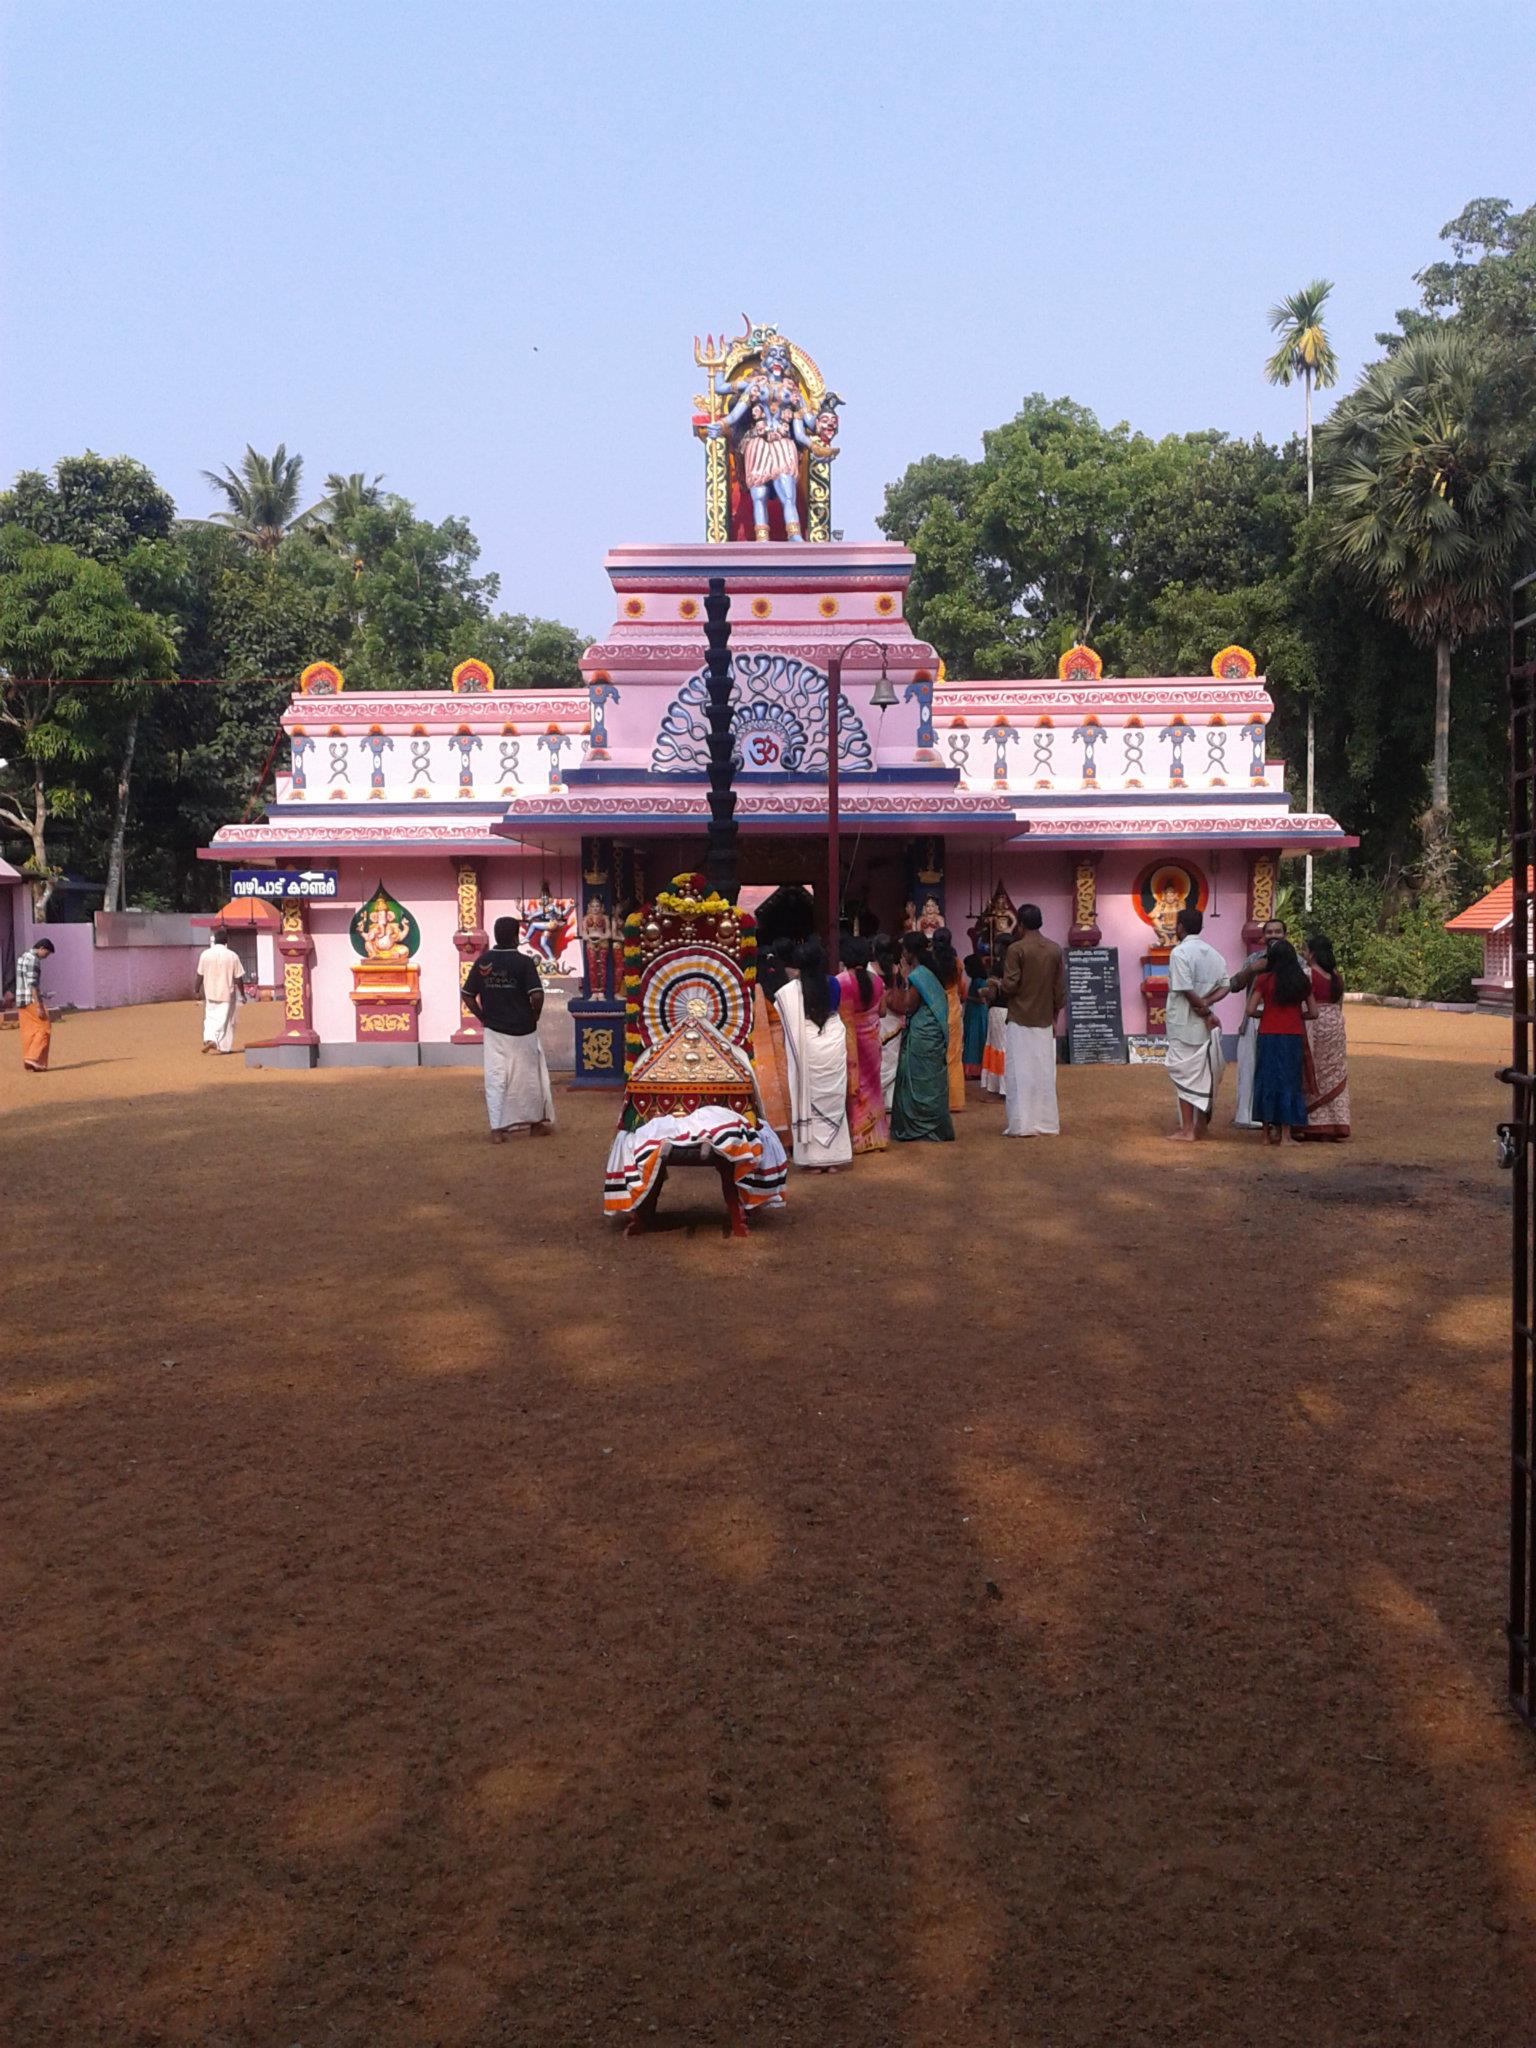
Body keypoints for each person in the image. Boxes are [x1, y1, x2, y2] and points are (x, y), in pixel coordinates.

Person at [461, 916, 555, 1141]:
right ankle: (535, 1124)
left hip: (494, 1031)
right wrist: (535, 1015)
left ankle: (497, 1130)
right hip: (524, 1030)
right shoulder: (524, 963)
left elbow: (467, 995)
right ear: (516, 936)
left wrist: (483, 1017)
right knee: (530, 1079)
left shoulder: (483, 962)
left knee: (496, 1078)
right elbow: (537, 995)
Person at [773, 936, 851, 1169]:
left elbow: (780, 1014)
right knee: (833, 1097)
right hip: (833, 1039)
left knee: (809, 1097)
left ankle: (813, 1159)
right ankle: (834, 1159)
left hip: (808, 1042)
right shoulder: (834, 984)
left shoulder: (790, 991)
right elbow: (836, 1009)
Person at [991, 904, 1065, 1138]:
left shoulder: (1016, 949)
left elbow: (1010, 985)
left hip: (1020, 1019)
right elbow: (1059, 992)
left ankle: (1022, 1124)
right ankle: (1046, 1122)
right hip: (1044, 1020)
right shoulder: (1054, 950)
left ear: (1020, 925)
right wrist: (1054, 1018)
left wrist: (996, 985)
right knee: (1043, 1073)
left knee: (1019, 1073)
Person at [1165, 906, 1230, 1141]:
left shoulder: (1179, 953)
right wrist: (1209, 1004)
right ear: (1201, 927)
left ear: (1180, 927)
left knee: (1184, 1073)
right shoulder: (1213, 953)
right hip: (1205, 1024)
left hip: (1185, 1022)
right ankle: (1200, 1125)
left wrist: (1203, 1009)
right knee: (1204, 1074)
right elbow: (1227, 985)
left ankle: (1187, 1130)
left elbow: (1184, 988)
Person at [1245, 936, 1317, 1145]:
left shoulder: (1264, 980)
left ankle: (1266, 1134)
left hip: (1268, 1034)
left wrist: (1265, 1015)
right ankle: (1286, 1134)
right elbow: (1314, 1012)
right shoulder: (1301, 980)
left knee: (1266, 1080)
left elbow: (1250, 1010)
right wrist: (1296, 1016)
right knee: (1289, 1082)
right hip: (1292, 1035)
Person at [886, 931, 955, 1143]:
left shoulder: (918, 975)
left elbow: (906, 1005)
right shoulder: (929, 971)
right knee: (929, 1078)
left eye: (904, 949)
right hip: (930, 1033)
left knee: (918, 1078)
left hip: (923, 1035)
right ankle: (933, 1127)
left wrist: (898, 981)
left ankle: (920, 1127)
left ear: (909, 952)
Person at [1227, 916, 1288, 1128]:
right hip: (1254, 1019)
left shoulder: (1295, 961)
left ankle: (1279, 1119)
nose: (1273, 936)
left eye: (1277, 932)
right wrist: (1252, 969)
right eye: (1269, 932)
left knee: (1280, 1070)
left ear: (1285, 935)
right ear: (1263, 938)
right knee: (1249, 1067)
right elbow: (1234, 985)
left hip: (1284, 1022)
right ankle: (1248, 1117)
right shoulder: (1254, 959)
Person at [1295, 933, 1351, 1141]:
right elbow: (1340, 1005)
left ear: (1312, 954)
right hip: (1335, 1025)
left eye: (1306, 949)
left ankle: (1309, 1123)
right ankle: (1335, 1124)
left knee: (1310, 1071)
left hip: (1313, 1023)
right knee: (1334, 1072)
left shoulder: (1306, 974)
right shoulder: (1337, 977)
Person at [837, 935, 889, 1153]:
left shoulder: (840, 981)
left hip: (849, 1044)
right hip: (872, 1042)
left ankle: (856, 1138)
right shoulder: (877, 980)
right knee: (873, 1087)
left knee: (853, 1088)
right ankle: (876, 1139)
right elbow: (883, 1011)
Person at [751, 938, 794, 1145]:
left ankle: (775, 1141)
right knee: (788, 1087)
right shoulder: (787, 986)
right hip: (788, 1040)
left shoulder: (757, 990)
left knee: (769, 1088)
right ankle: (793, 1138)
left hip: (766, 1042)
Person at [932, 927, 967, 1115]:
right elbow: (963, 989)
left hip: (933, 1005)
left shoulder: (930, 963)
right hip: (953, 1007)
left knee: (935, 1054)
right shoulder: (957, 963)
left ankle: (935, 1098)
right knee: (953, 1055)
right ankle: (955, 1100)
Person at [196, 926, 245, 1055]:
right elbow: (238, 977)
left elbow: (199, 974)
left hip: (210, 992)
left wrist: (196, 990)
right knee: (225, 1019)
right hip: (226, 993)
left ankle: (211, 1040)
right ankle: (218, 1042)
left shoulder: (205, 954)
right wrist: (243, 994)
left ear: (214, 940)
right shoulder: (232, 956)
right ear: (226, 941)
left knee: (210, 1018)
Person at [14, 937, 55, 1073]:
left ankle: (29, 1059)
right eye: (47, 954)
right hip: (31, 1000)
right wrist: (39, 1005)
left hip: (21, 1000)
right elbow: (32, 984)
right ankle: (34, 1058)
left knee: (29, 1030)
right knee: (45, 1027)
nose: (46, 957)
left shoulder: (22, 957)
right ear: (41, 948)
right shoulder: (34, 960)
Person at [874, 934, 905, 1111]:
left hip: (876, 1020)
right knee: (892, 1062)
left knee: (878, 1061)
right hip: (894, 1022)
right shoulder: (897, 970)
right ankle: (890, 1102)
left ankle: (876, 1098)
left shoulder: (870, 970)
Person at [962, 949, 991, 1080]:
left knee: (976, 1040)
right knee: (972, 1040)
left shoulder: (980, 980)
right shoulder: (975, 980)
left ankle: (976, 1070)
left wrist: (968, 998)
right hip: (972, 1013)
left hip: (977, 1014)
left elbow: (983, 1000)